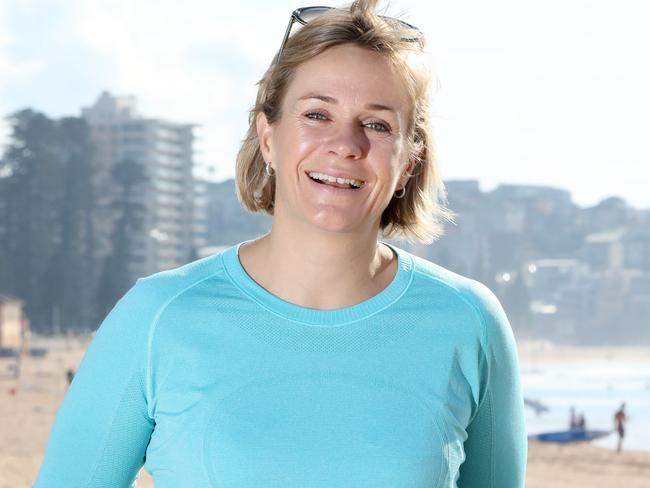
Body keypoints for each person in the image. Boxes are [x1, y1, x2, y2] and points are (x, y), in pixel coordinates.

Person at [34, 1, 527, 486]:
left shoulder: (469, 322)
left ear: (409, 162)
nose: (346, 144)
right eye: (317, 115)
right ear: (267, 136)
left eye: (377, 124)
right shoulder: (157, 317)